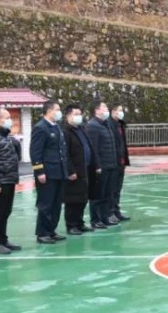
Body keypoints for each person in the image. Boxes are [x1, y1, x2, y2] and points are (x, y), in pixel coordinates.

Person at [30, 100, 70, 244]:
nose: (59, 112)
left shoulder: (56, 127)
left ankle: (51, 230)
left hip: (59, 171)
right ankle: (42, 233)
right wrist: (39, 171)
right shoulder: (40, 128)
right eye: (57, 109)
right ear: (48, 111)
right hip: (47, 172)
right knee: (45, 204)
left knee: (56, 204)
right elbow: (35, 152)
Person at [0, 107, 22, 254]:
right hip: (1, 181)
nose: (10, 120)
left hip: (9, 179)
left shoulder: (6, 136)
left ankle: (3, 239)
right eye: (6, 118)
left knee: (5, 211)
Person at [62, 105, 94, 235]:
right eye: (76, 114)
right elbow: (65, 154)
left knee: (82, 198)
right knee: (72, 199)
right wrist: (70, 170)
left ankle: (80, 223)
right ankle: (71, 225)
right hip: (74, 170)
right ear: (68, 116)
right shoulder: (66, 132)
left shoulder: (81, 129)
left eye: (80, 114)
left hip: (84, 168)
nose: (79, 116)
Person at [87, 101, 120, 229]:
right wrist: (97, 166)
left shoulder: (106, 124)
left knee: (107, 194)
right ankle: (95, 219)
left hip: (110, 165)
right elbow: (93, 148)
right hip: (101, 167)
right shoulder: (93, 126)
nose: (107, 109)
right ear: (97, 110)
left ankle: (105, 217)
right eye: (104, 107)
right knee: (97, 195)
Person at [110, 104, 131, 222]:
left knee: (118, 190)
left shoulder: (120, 124)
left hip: (121, 162)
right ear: (113, 111)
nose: (121, 112)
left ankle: (116, 211)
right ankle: (110, 212)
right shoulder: (109, 125)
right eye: (119, 110)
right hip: (114, 162)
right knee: (112, 189)